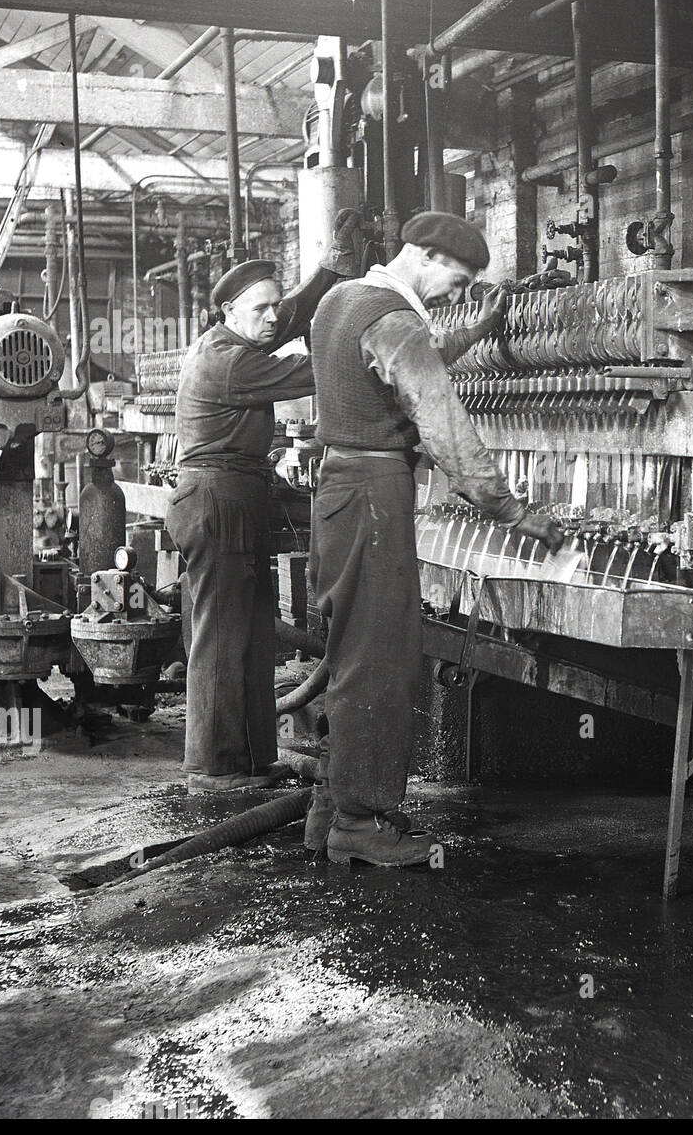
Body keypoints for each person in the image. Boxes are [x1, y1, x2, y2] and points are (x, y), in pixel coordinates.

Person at [307, 211, 562, 866]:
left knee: (349, 648)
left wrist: (476, 332)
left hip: (338, 489)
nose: (458, 289)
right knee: (380, 657)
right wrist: (513, 510)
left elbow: (403, 367)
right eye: (457, 274)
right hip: (373, 498)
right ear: (422, 253)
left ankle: (330, 808)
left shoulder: (341, 300)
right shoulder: (393, 317)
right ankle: (360, 825)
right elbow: (442, 423)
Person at [167, 210, 362, 793]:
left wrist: (327, 268)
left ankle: (252, 758)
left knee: (251, 633)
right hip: (216, 500)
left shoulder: (237, 337)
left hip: (235, 497)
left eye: (274, 303)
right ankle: (214, 764)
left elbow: (289, 317)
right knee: (223, 637)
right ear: (228, 313)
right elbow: (311, 369)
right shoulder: (228, 361)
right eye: (261, 307)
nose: (273, 315)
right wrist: (369, 335)